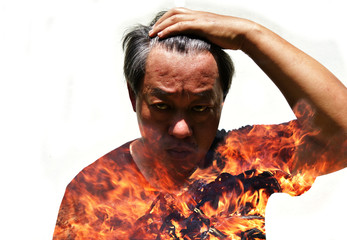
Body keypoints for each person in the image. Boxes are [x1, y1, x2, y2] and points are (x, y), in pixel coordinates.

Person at [53, 8, 347, 240]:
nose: (181, 129)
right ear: (134, 97)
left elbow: (342, 134)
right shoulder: (94, 191)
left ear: (221, 102)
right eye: (162, 107)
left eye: (200, 109)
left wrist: (250, 35)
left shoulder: (245, 160)